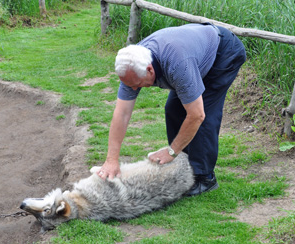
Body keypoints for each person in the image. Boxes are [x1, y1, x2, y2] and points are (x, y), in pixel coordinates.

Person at [97, 23, 246, 196]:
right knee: (173, 109)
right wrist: (111, 160)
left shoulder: (177, 65)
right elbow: (121, 114)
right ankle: (183, 166)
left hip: (223, 53)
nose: (135, 89)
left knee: (204, 111)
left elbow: (197, 115)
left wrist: (170, 151)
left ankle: (204, 178)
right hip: (192, 53)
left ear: (150, 69)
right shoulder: (131, 67)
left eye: (138, 85)